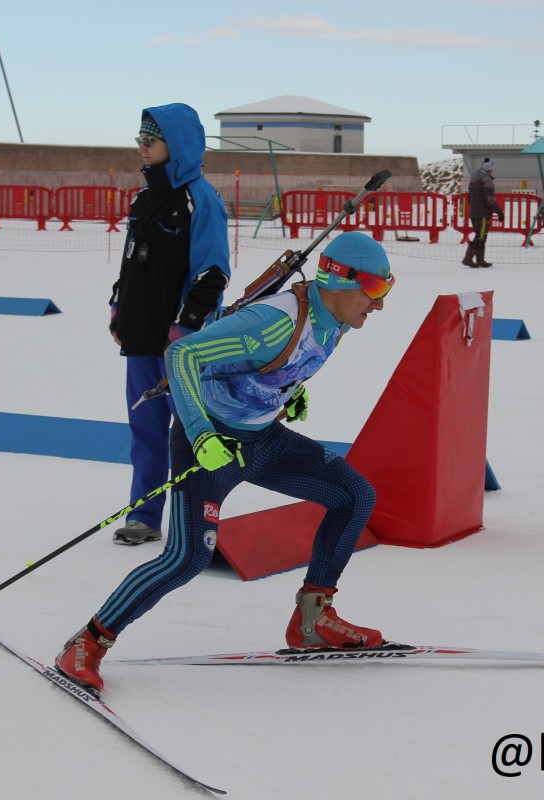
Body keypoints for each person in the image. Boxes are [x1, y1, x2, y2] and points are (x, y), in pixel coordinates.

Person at [56, 231, 396, 696]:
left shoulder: (335, 319)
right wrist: (201, 435)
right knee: (188, 557)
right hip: (212, 443)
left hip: (261, 438)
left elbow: (271, 365)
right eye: (375, 289)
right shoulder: (272, 321)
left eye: (386, 290)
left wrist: (288, 391)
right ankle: (88, 642)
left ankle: (314, 620)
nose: (378, 304)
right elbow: (183, 354)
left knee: (353, 495)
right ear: (338, 279)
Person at [110, 103, 230, 545]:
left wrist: (186, 328)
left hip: (182, 343)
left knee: (190, 431)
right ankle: (145, 514)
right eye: (138, 140)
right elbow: (132, 264)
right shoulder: (144, 197)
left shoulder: (201, 199)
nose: (141, 149)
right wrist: (118, 306)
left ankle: (196, 515)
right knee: (145, 430)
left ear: (175, 145)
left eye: (149, 141)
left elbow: (212, 273)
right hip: (141, 336)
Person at [462, 158, 505, 268]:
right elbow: (489, 198)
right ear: (490, 170)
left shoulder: (473, 180)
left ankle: (480, 260)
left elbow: (470, 197)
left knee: (480, 236)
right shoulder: (487, 180)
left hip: (474, 212)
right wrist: (499, 212)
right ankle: (468, 258)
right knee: (481, 237)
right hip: (483, 213)